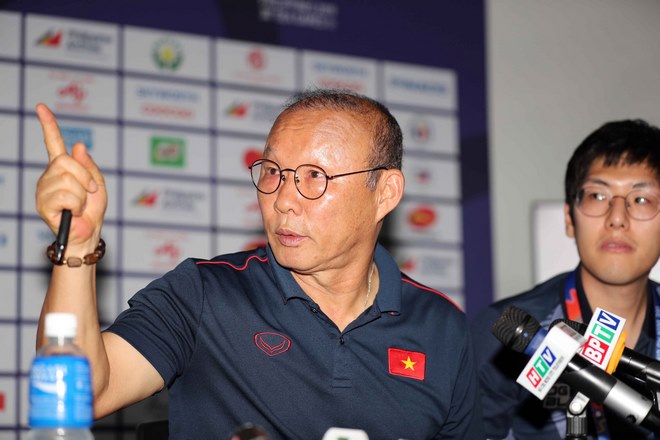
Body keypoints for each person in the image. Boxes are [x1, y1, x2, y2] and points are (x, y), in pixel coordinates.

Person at [35, 89, 484, 439]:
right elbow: (83, 395)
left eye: (314, 176)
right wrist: (78, 247)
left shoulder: (442, 328)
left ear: (385, 193)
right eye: (273, 172)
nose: (283, 200)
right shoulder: (205, 294)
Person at [470, 119, 660, 439]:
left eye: (641, 199)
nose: (617, 219)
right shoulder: (512, 333)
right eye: (597, 196)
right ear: (569, 219)